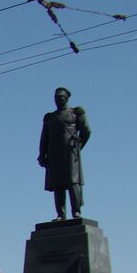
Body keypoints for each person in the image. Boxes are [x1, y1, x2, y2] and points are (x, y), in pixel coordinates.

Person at [38, 86, 90, 220]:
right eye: (56, 97)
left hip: (70, 153)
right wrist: (42, 154)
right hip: (54, 154)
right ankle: (61, 214)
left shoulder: (75, 113)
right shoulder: (49, 117)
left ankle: (76, 211)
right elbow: (44, 138)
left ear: (66, 98)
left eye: (60, 97)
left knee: (73, 183)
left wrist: (79, 146)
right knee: (58, 185)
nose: (58, 99)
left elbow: (86, 130)